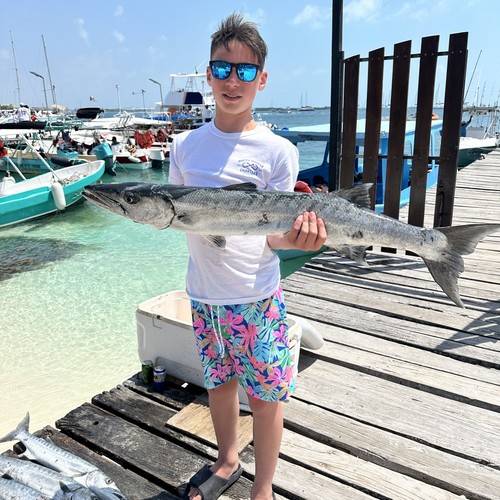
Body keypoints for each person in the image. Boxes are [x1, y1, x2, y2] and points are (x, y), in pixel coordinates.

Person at [168, 12, 327, 500]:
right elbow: (178, 217)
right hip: (204, 297)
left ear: (262, 78)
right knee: (218, 387)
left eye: (244, 70)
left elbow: (272, 236)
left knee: (266, 398)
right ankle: (227, 461)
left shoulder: (278, 151)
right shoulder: (184, 147)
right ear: (208, 74)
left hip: (257, 297)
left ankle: (263, 488)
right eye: (221, 68)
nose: (231, 80)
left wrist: (300, 240)